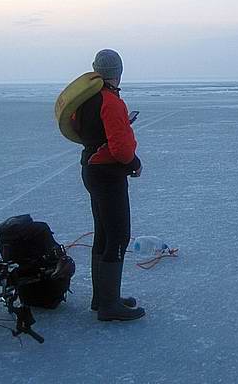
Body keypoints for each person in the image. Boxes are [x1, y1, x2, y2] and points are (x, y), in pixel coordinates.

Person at [75, 49, 146, 321]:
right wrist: (134, 164)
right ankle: (109, 306)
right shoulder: (111, 102)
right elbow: (121, 148)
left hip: (91, 170)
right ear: (119, 72)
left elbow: (83, 130)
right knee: (118, 235)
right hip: (108, 174)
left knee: (103, 234)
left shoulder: (85, 99)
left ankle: (103, 298)